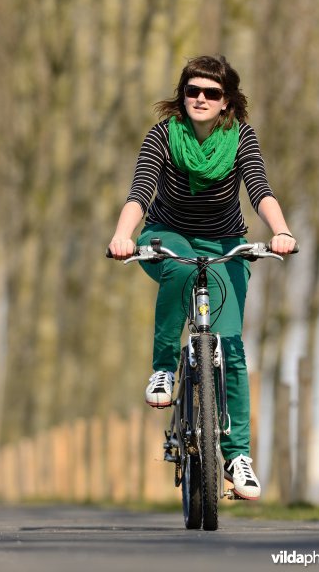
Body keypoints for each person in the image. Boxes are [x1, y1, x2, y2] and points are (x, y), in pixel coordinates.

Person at [108, 55, 296, 500]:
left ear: (226, 100)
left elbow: (259, 189)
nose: (200, 99)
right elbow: (140, 192)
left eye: (211, 93)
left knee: (230, 347)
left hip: (225, 243)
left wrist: (282, 230)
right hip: (167, 234)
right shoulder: (163, 136)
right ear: (182, 94)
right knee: (177, 268)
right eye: (192, 90)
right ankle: (162, 371)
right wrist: (122, 235)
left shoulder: (241, 139)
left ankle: (237, 456)